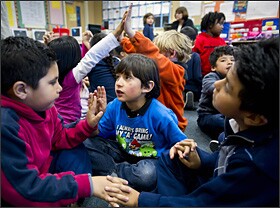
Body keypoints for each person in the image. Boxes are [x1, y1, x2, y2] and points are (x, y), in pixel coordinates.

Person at [104, 37, 279, 207]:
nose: (217, 84)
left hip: (211, 193)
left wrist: (140, 200)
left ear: (254, 117)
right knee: (172, 158)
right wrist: (202, 161)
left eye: (227, 86)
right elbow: (224, 157)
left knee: (150, 172)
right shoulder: (238, 127)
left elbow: (204, 203)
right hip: (142, 158)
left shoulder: (255, 166)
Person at [0, 36, 129, 207]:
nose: (60, 88)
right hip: (23, 192)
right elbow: (25, 189)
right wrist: (85, 185)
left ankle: (83, 198)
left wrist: (88, 124)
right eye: (53, 82)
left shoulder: (46, 108)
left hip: (43, 171)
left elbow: (61, 137)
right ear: (22, 90)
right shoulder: (7, 126)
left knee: (76, 150)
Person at [83, 54, 188, 192]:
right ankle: (119, 174)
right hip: (122, 152)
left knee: (146, 175)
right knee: (85, 142)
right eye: (118, 77)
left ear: (147, 87)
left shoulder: (160, 114)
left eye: (127, 78)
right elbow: (99, 134)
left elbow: (180, 144)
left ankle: (112, 175)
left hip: (151, 160)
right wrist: (92, 122)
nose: (119, 83)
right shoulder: (115, 105)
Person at [120, 3, 193, 132]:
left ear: (171, 53)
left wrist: (132, 33)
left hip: (171, 126)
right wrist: (123, 40)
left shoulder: (177, 72)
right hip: (157, 121)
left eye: (160, 51)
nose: (156, 53)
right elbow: (142, 54)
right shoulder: (165, 65)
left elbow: (152, 55)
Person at [43, 19, 125, 124]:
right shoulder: (70, 78)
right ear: (73, 58)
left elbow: (87, 59)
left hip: (58, 123)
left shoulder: (53, 75)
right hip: (69, 125)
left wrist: (48, 46)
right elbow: (93, 55)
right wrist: (116, 32)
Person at [197, 45, 235, 140]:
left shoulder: (238, 79)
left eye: (232, 60)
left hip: (228, 114)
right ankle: (221, 143)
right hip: (208, 115)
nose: (229, 62)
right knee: (223, 123)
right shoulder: (210, 77)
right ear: (213, 67)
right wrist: (230, 80)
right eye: (223, 60)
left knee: (236, 123)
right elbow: (213, 88)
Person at [193, 11, 227, 77]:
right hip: (202, 76)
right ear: (210, 25)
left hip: (219, 76)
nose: (222, 27)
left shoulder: (222, 42)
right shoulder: (199, 40)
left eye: (223, 24)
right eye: (220, 24)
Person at [180, 26, 202, 110]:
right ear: (194, 41)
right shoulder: (195, 56)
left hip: (180, 84)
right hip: (192, 86)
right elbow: (197, 76)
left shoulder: (175, 55)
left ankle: (182, 96)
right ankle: (189, 96)